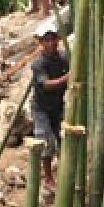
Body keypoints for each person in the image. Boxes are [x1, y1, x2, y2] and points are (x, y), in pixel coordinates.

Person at [30, 21, 69, 193]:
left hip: (58, 106)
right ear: (41, 43)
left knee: (64, 140)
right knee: (48, 143)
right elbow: (46, 84)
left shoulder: (63, 58)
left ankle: (66, 174)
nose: (50, 43)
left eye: (53, 39)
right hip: (41, 108)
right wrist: (68, 77)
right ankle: (48, 178)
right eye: (46, 40)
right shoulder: (38, 63)